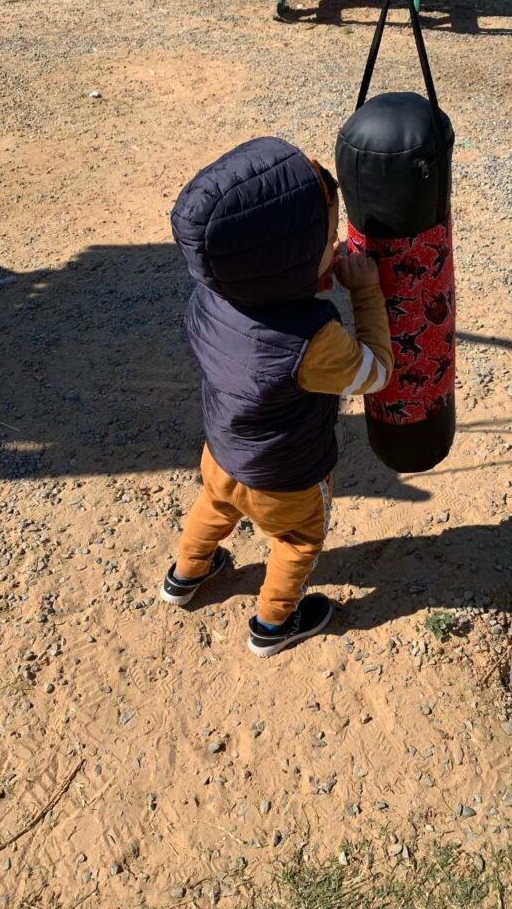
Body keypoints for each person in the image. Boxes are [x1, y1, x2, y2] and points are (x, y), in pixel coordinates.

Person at [160, 137, 394, 657]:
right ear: (286, 263)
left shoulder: (211, 294)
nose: (338, 244)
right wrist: (364, 291)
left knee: (214, 505)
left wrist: (312, 280)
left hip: (222, 454)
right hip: (286, 479)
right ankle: (273, 624)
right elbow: (375, 373)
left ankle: (185, 575)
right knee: (297, 542)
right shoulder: (313, 342)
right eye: (328, 238)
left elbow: (257, 333)